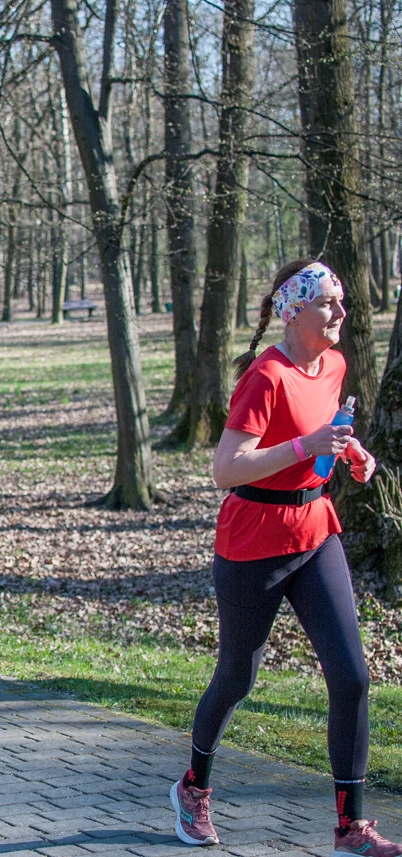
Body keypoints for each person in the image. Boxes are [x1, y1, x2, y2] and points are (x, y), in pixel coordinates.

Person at [170, 260, 398, 857]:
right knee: (237, 678)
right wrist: (305, 446)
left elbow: (326, 430)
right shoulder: (265, 377)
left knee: (351, 676)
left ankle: (350, 826)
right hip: (253, 541)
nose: (342, 314)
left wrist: (351, 453)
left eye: (342, 301)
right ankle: (194, 788)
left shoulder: (336, 364)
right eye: (328, 304)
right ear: (293, 312)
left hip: (316, 529)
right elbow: (226, 469)